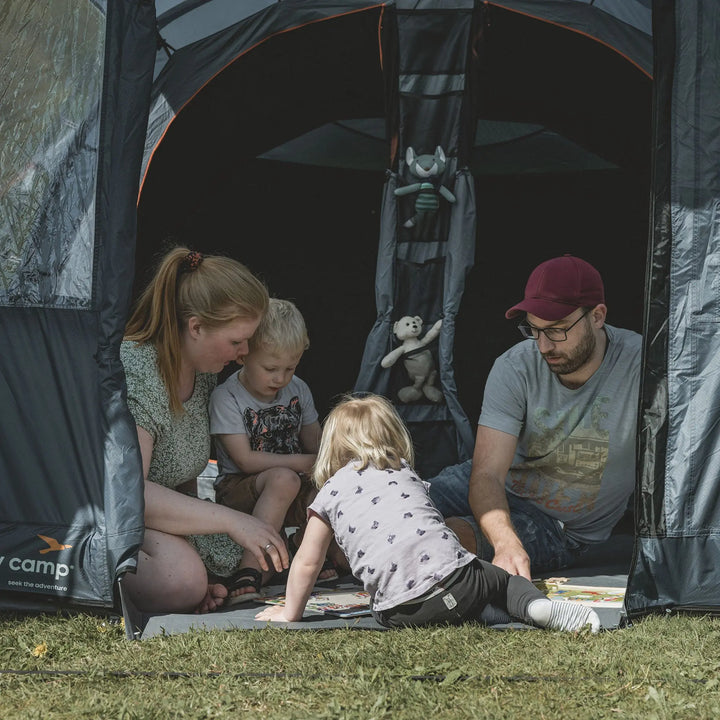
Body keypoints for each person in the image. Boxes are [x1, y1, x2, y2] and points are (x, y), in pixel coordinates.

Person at [255, 394, 600, 633]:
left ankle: (485, 610)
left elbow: (308, 562)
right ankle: (531, 607)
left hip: (397, 612)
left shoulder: (329, 493)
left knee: (442, 595)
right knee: (498, 577)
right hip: (458, 584)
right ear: (393, 436)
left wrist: (290, 613)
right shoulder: (405, 472)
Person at [427, 254, 642, 581]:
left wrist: (504, 546)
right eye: (533, 330)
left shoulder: (644, 366)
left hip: (559, 527)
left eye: (556, 330)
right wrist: (504, 541)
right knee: (389, 506)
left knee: (442, 541)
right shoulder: (515, 366)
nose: (543, 346)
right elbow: (486, 475)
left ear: (597, 316)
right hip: (497, 484)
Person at [120, 246, 289, 614]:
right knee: (180, 579)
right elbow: (129, 493)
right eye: (236, 341)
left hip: (158, 522)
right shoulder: (138, 374)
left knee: (204, 572)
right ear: (195, 327)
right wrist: (232, 521)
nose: (244, 353)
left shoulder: (203, 373)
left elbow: (180, 476)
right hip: (113, 517)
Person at [209, 298, 338, 602]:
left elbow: (316, 443)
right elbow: (244, 459)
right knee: (284, 478)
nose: (280, 378)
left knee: (326, 482)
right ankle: (248, 569)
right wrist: (309, 462)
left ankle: (307, 551)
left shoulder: (298, 389)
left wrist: (329, 462)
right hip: (240, 489)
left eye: (290, 368)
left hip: (290, 482)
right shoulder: (226, 397)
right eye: (270, 368)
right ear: (243, 356)